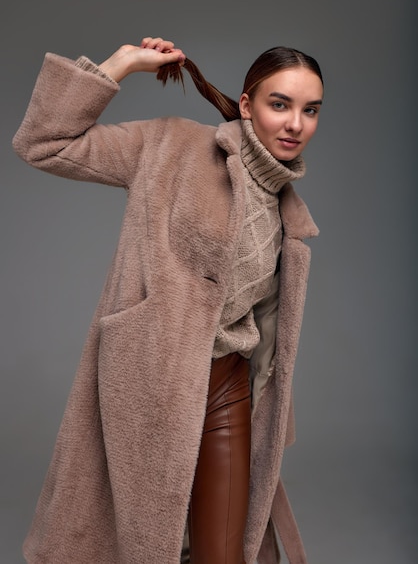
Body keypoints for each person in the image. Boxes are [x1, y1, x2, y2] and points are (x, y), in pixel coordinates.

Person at [13, 36, 324, 564]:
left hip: (226, 384)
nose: (296, 123)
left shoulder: (287, 213)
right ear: (247, 105)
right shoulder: (170, 145)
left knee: (220, 552)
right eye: (280, 104)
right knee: (143, 544)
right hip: (149, 383)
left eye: (310, 110)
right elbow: (44, 143)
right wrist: (120, 65)